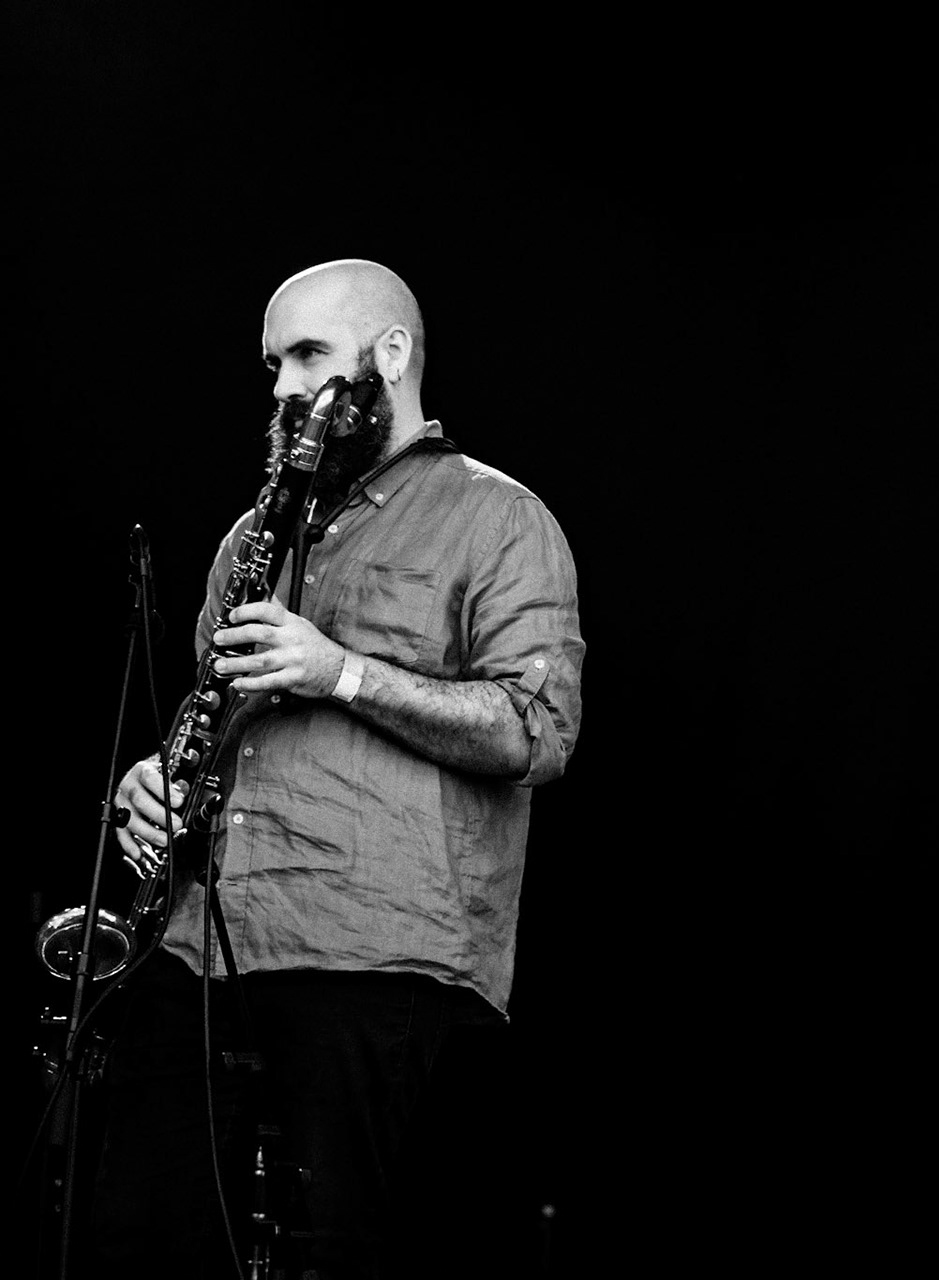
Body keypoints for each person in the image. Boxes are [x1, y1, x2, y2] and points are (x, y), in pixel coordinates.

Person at [89, 259, 586, 1277]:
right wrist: (162, 775)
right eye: (273, 363)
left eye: (310, 355)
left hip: (375, 953)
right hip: (202, 944)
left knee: (331, 1254)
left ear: (390, 355)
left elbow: (539, 728)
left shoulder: (498, 517)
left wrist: (342, 669)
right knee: (134, 1237)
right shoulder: (249, 539)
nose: (281, 386)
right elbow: (215, 712)